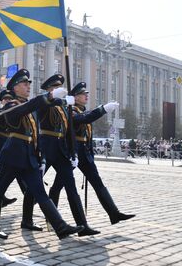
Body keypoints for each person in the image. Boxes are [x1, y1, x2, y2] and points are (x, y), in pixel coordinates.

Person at [0, 69, 83, 239]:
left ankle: (60, 227)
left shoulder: (30, 107)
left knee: (40, 193)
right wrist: (50, 96)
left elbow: (36, 132)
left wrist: (41, 157)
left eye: (29, 84)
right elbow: (26, 108)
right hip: (13, 155)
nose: (28, 86)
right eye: (24, 84)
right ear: (15, 88)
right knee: (0, 191)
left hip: (29, 157)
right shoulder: (11, 105)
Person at [48, 82, 135, 225]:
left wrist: (91, 155)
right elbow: (85, 118)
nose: (86, 96)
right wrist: (103, 109)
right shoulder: (71, 111)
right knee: (59, 184)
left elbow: (87, 134)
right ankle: (52, 217)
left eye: (86, 94)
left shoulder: (82, 111)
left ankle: (114, 213)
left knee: (98, 183)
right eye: (83, 94)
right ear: (75, 97)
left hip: (85, 153)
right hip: (73, 152)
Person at [38, 74, 99, 236]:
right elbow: (44, 106)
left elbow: (69, 131)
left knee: (71, 188)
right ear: (49, 90)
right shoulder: (43, 102)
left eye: (60, 87)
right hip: (45, 147)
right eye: (56, 87)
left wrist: (72, 153)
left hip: (60, 149)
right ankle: (27, 219)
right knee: (34, 187)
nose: (60, 89)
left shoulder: (64, 107)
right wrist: (60, 100)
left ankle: (82, 225)